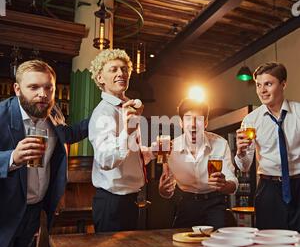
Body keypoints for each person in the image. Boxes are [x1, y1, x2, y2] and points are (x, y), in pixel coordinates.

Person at [0, 60, 89, 247]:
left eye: (48, 87)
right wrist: (11, 158)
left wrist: (107, 111)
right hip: (3, 215)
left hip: (33, 213)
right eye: (34, 87)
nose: (43, 94)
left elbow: (69, 134)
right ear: (17, 89)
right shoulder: (1, 116)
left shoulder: (53, 113)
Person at [89, 49, 152, 233]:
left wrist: (150, 152)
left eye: (124, 69)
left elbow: (128, 157)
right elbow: (106, 161)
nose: (121, 73)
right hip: (112, 203)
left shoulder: (125, 108)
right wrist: (128, 131)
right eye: (113, 69)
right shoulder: (103, 113)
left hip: (130, 201)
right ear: (100, 78)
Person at [235, 62, 300, 230]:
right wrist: (241, 153)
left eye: (268, 84)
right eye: (258, 85)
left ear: (283, 84)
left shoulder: (299, 113)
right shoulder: (250, 121)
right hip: (268, 189)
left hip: (298, 183)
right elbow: (245, 166)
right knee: (268, 241)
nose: (262, 90)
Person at [158, 98, 238, 229]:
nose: (193, 124)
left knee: (220, 241)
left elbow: (233, 185)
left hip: (215, 203)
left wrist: (224, 184)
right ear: (181, 122)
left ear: (206, 122)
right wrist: (163, 190)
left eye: (199, 119)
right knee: (178, 242)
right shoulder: (170, 148)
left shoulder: (220, 144)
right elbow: (168, 191)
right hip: (186, 203)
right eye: (188, 118)